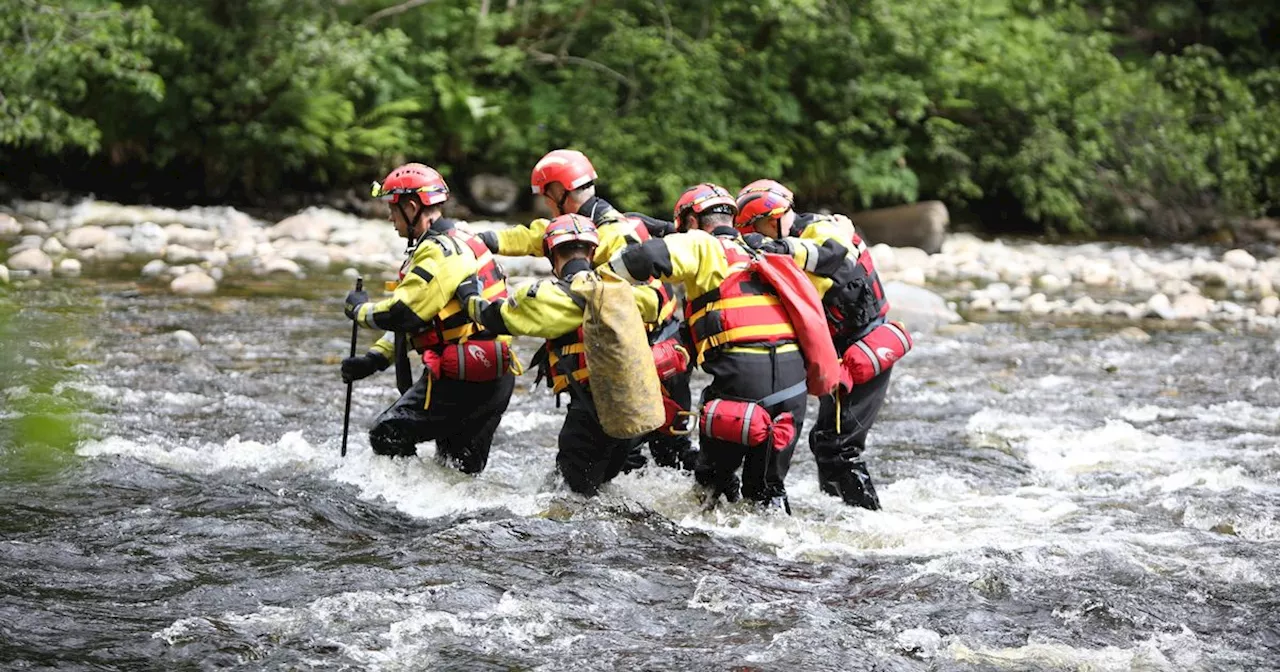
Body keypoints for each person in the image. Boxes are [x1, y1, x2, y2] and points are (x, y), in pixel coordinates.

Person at [477, 149, 696, 472]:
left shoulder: (611, 235)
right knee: (663, 458)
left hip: (646, 357)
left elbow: (628, 300)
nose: (546, 203)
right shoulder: (609, 223)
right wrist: (476, 240)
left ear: (557, 192)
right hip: (665, 350)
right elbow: (531, 236)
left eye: (546, 195)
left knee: (624, 459)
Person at [605, 183, 810, 510]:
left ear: (691, 221)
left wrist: (600, 272)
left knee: (711, 491)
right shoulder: (762, 249)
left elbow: (639, 259)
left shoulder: (701, 243)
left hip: (743, 385)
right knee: (766, 495)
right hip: (793, 390)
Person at [457, 214, 665, 496]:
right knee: (596, 492)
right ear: (593, 252)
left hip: (589, 416)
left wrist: (469, 296)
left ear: (552, 254)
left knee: (568, 499)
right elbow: (656, 303)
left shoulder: (546, 296)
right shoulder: (624, 292)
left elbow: (497, 318)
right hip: (630, 418)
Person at [341, 162, 516, 473]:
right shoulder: (463, 236)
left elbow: (404, 314)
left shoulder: (438, 251)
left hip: (460, 380)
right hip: (495, 376)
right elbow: (432, 319)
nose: (390, 218)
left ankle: (402, 503)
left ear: (411, 207)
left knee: (387, 433)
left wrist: (359, 311)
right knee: (457, 473)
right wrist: (375, 359)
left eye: (393, 209)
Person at [734, 179, 895, 510]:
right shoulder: (782, 241)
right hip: (840, 349)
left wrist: (781, 249)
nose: (762, 236)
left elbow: (834, 256)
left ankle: (871, 522)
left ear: (773, 216)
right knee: (826, 445)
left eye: (760, 227)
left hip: (863, 347)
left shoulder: (822, 229)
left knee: (837, 447)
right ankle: (843, 517)